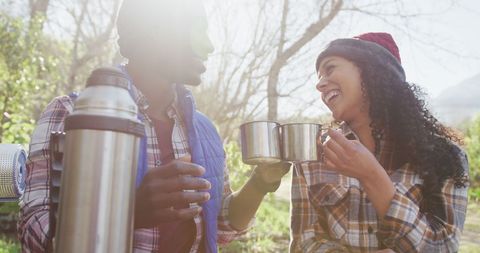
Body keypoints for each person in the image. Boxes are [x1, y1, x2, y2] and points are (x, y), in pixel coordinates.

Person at [18, 0, 290, 252]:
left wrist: (259, 182)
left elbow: (219, 227)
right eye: (197, 30)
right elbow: (34, 232)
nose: (209, 46)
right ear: (152, 32)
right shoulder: (71, 114)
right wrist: (129, 212)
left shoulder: (204, 129)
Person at [290, 32, 469, 253]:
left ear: (372, 72)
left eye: (330, 69)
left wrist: (372, 176)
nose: (319, 84)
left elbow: (444, 247)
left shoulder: (446, 156)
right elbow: (303, 243)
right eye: (318, 76)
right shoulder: (311, 156)